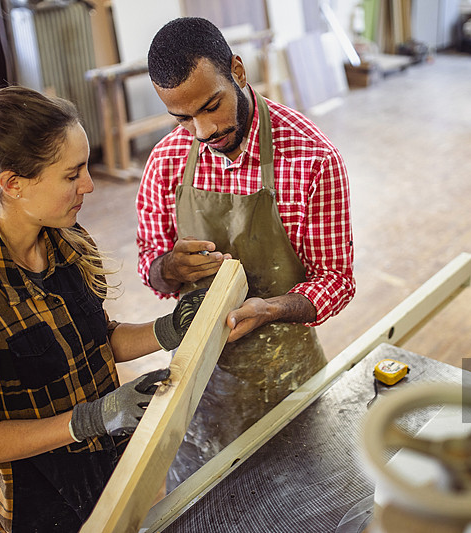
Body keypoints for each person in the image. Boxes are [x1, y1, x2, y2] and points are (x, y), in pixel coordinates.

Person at [0, 86, 206, 532]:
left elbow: (96, 340)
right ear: (12, 184)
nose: (90, 184)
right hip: (38, 506)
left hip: (106, 471)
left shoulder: (65, 241)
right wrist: (88, 419)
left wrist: (167, 329)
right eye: (72, 174)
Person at [137, 17, 355, 488]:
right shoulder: (167, 161)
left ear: (237, 70)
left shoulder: (312, 158)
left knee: (306, 501)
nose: (203, 130)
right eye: (183, 118)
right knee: (203, 503)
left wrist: (272, 308)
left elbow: (336, 278)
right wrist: (168, 267)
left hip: (290, 377)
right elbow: (149, 264)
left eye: (211, 106)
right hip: (200, 379)